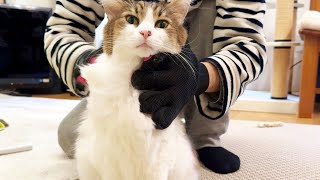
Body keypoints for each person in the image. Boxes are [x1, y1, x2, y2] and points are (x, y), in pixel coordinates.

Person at [44, 0, 266, 174]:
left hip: (188, 50)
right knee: (73, 137)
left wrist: (199, 77)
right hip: (123, 58)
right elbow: (63, 29)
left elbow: (248, 45)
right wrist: (96, 68)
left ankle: (204, 134)